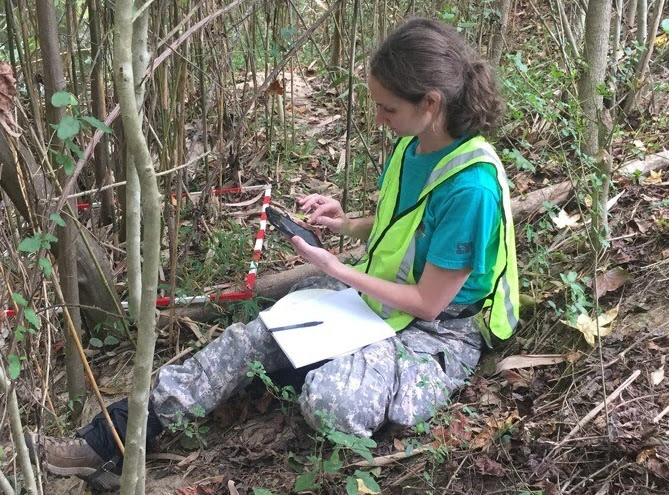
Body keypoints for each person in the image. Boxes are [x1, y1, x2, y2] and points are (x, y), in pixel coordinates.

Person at [26, 17, 519, 490]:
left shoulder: (470, 188)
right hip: (376, 300)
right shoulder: (415, 143)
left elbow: (430, 303)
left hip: (437, 332)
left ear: (430, 102)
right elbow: (407, 224)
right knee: (249, 341)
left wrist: (336, 268)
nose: (378, 119)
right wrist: (346, 222)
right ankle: (105, 439)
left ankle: (310, 372)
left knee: (331, 401)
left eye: (387, 109)